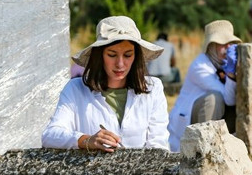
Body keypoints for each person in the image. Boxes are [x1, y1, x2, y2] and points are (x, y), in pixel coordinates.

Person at [42, 16, 170, 151]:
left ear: (136, 57)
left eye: (127, 55)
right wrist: (86, 140)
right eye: (112, 55)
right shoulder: (75, 89)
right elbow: (50, 135)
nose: (120, 64)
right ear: (99, 56)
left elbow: (158, 145)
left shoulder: (153, 88)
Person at [167, 19, 241, 152]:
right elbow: (227, 97)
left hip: (214, 119)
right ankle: (205, 152)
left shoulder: (224, 64)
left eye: (230, 44)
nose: (227, 48)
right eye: (222, 44)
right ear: (211, 46)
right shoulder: (200, 66)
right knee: (214, 99)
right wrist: (231, 75)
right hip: (187, 127)